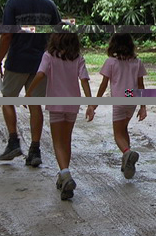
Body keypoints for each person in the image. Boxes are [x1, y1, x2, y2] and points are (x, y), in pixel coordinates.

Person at [0, 0, 61, 166]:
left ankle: (13, 142)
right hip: (41, 64)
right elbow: (58, 33)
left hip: (17, 61)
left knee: (7, 99)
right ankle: (35, 150)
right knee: (35, 106)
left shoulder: (13, 4)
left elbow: (7, 35)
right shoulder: (49, 5)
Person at [25, 33, 93, 200]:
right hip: (72, 105)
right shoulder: (78, 58)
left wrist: (29, 92)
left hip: (56, 104)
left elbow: (40, 74)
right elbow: (84, 80)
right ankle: (63, 176)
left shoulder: (49, 56)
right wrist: (91, 104)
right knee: (66, 139)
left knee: (57, 142)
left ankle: (65, 173)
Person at [88, 33, 147, 179]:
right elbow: (140, 85)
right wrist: (143, 106)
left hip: (119, 99)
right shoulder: (136, 62)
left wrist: (94, 104)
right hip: (131, 98)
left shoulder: (111, 62)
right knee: (124, 129)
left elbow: (103, 85)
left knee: (117, 134)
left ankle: (127, 153)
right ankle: (126, 162)